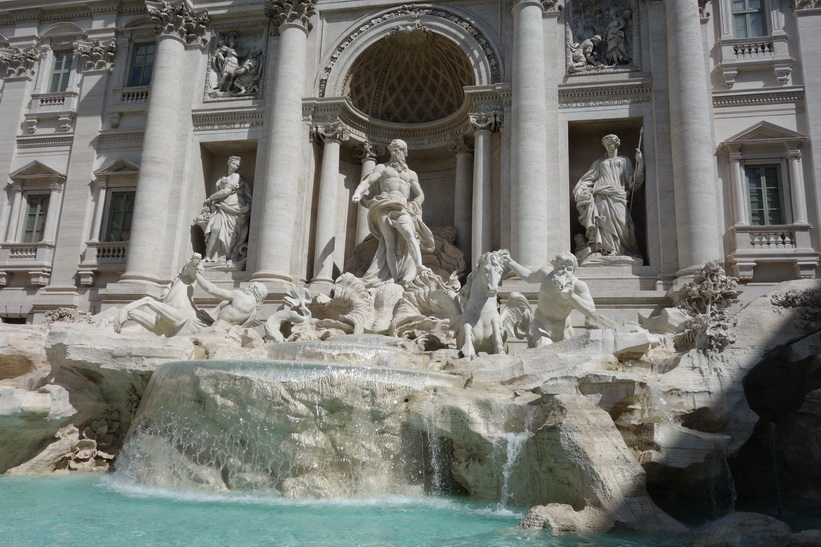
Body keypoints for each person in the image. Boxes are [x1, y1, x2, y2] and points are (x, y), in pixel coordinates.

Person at [352, 139, 434, 286]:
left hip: (402, 207)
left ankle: (418, 266)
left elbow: (420, 194)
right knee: (389, 242)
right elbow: (369, 181)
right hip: (384, 205)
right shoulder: (382, 168)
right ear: (392, 152)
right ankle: (394, 279)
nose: (400, 153)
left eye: (402, 150)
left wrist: (415, 203)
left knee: (410, 235)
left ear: (405, 152)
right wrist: (358, 192)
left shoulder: (411, 174)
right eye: (396, 150)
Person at [573, 133, 643, 257]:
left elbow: (632, 181)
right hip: (601, 194)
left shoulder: (624, 161)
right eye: (606, 145)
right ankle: (609, 250)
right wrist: (582, 189)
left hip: (618, 194)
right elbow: (590, 178)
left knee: (623, 224)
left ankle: (623, 250)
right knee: (604, 223)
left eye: (610, 144)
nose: (608, 147)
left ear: (617, 144)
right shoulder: (600, 162)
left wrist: (640, 162)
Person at [506, 253, 597, 346]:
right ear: (555, 267)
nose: (565, 272)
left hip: (563, 329)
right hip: (541, 324)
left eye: (569, 269)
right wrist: (510, 262)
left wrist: (571, 296)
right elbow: (528, 276)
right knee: (544, 348)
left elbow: (591, 311)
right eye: (562, 267)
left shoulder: (578, 285)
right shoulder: (545, 274)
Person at [202, 156, 252, 268]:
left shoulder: (236, 176)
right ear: (228, 162)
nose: (235, 167)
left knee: (228, 233)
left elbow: (227, 191)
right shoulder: (221, 178)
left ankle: (223, 257)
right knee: (214, 229)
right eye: (234, 164)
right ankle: (208, 257)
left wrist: (210, 198)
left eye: (237, 166)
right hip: (220, 206)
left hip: (232, 207)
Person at [196, 272, 268, 328]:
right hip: (228, 330)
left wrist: (198, 276)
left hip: (219, 326)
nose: (245, 288)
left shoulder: (240, 296)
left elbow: (212, 289)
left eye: (249, 286)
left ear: (252, 289)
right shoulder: (253, 312)